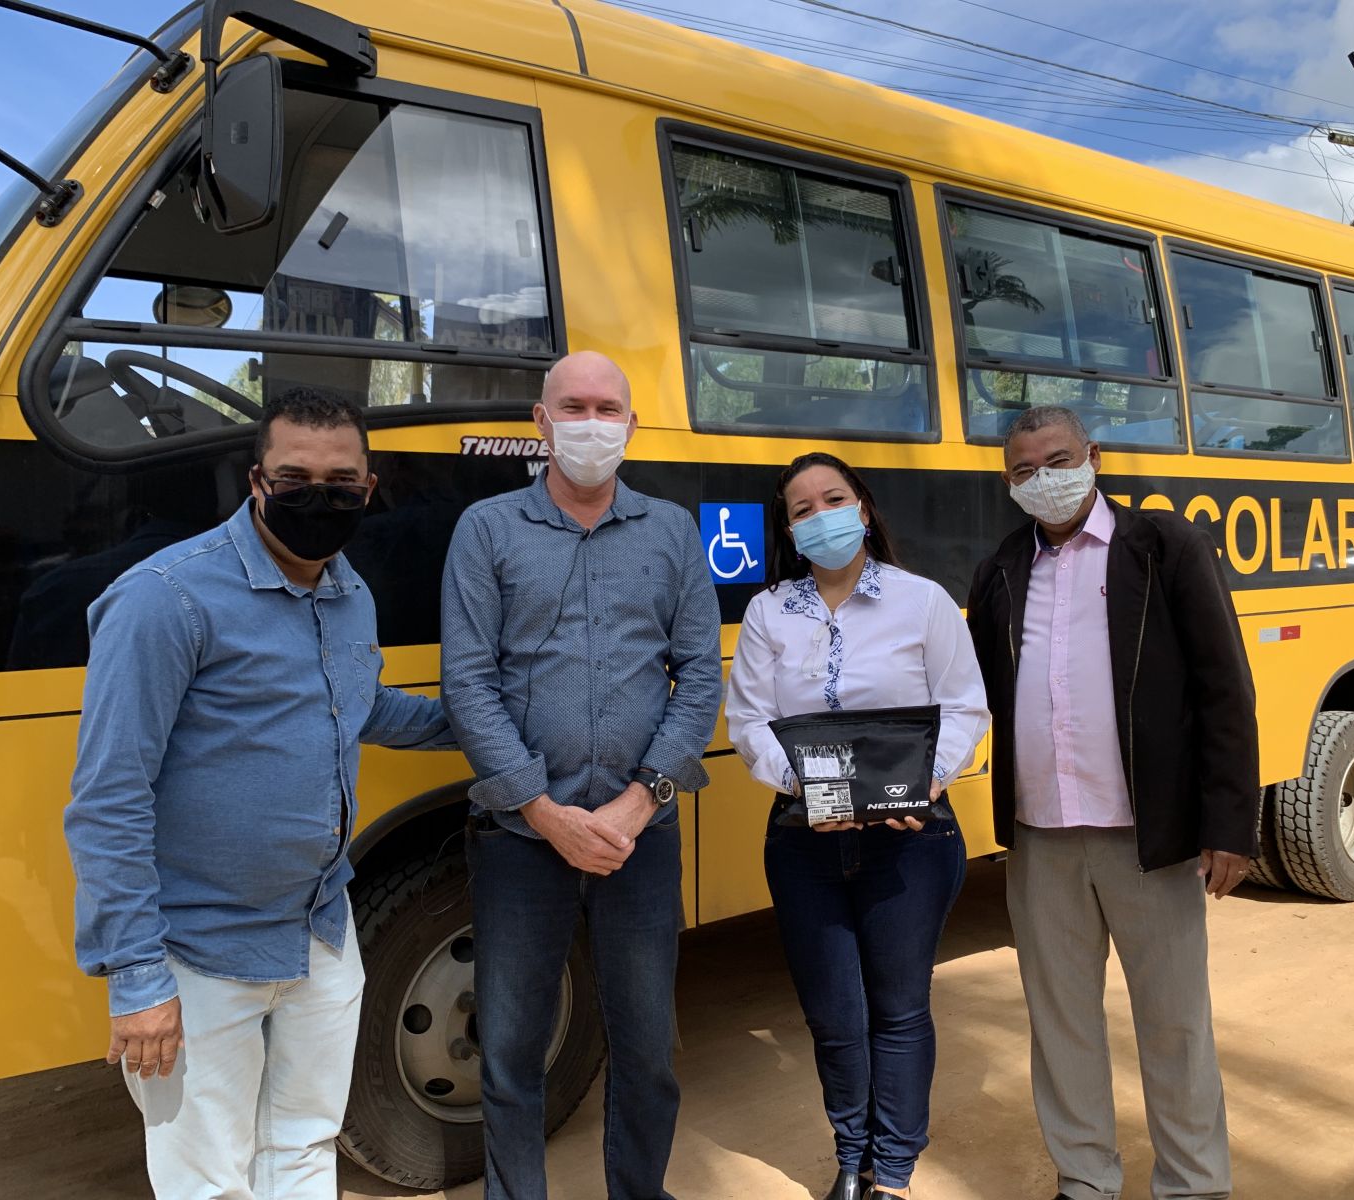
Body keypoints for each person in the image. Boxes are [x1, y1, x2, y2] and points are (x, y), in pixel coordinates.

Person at [65, 387, 458, 1200]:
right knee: (208, 1180)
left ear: (369, 489)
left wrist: (477, 722)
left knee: (305, 1149)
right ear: (255, 481)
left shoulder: (349, 592)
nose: (320, 499)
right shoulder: (165, 600)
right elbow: (109, 797)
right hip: (201, 953)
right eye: (294, 479)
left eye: (342, 484)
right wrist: (138, 979)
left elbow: (362, 704)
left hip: (320, 933)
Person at [439, 350, 722, 1200]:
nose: (591, 423)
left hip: (643, 835)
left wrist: (640, 804)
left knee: (645, 1047)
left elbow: (700, 677)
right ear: (540, 421)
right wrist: (544, 810)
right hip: (521, 839)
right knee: (514, 1050)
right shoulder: (486, 530)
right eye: (574, 407)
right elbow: (468, 682)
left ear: (632, 426)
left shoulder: (672, 532)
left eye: (608, 408)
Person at [964, 406, 1259, 1200]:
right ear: (1009, 483)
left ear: (1093, 455)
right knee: (1061, 1028)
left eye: (1057, 460)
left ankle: (1194, 1185)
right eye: (1024, 470)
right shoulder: (999, 571)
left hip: (1147, 838)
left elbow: (1225, 691)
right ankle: (1085, 1179)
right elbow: (980, 697)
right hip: (1042, 838)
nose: (1044, 480)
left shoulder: (1163, 549)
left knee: (1174, 1024)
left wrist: (1229, 824)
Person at [725, 452, 990, 1200]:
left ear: (864, 509)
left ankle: (892, 1173)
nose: (821, 516)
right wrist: (817, 788)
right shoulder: (770, 611)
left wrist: (926, 778)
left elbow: (965, 705)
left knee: (899, 1009)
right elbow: (748, 721)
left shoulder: (922, 602)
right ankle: (852, 1156)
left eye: (833, 499)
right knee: (835, 1017)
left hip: (910, 835)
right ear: (789, 528)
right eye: (802, 508)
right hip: (805, 839)